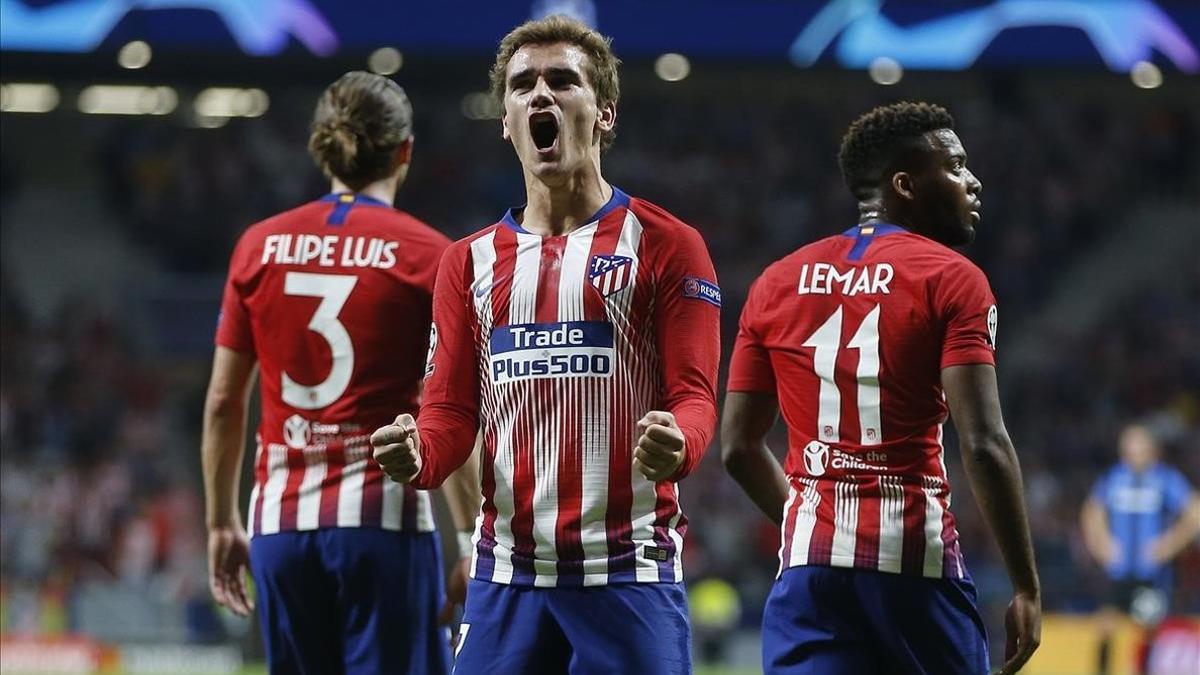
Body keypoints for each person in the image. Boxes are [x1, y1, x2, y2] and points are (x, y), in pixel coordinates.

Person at [370, 15, 721, 674]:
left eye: (563, 81)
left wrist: (682, 441)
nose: (541, 95)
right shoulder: (465, 262)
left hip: (628, 573)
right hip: (507, 578)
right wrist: (420, 452)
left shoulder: (669, 244)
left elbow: (696, 398)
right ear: (505, 119)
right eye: (523, 84)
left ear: (605, 112)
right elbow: (451, 414)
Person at [720, 101, 1041, 675]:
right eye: (956, 165)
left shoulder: (775, 281)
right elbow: (985, 443)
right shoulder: (953, 279)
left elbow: (738, 448)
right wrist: (1026, 586)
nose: (973, 181)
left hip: (808, 571)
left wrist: (810, 525)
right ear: (906, 184)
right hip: (913, 564)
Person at [201, 71, 479, 675]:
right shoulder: (431, 255)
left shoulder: (258, 245)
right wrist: (472, 540)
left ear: (320, 146)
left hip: (279, 524)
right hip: (383, 523)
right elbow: (447, 405)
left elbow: (225, 400)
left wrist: (222, 520)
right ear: (405, 151)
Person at [1081, 422, 1200, 675]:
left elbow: (1194, 512)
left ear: (1151, 448)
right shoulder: (1114, 478)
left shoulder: (1165, 479)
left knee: (1149, 630)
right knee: (1105, 627)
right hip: (1120, 572)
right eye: (1127, 444)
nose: (1130, 450)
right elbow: (1092, 512)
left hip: (1151, 575)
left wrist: (1169, 544)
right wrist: (1101, 544)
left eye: (1136, 443)